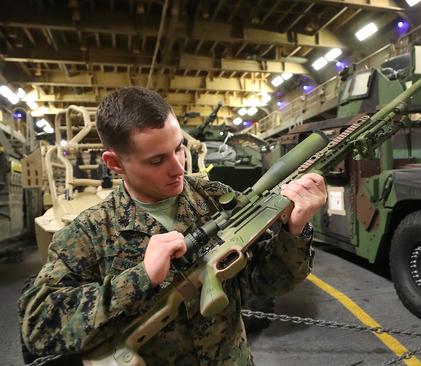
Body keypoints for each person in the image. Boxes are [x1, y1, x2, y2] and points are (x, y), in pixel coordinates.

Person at [19, 86, 327, 365]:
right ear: (114, 164)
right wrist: (141, 278)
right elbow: (39, 327)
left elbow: (264, 283)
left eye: (179, 148)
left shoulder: (215, 199)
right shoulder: (89, 233)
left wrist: (295, 232)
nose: (178, 167)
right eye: (157, 161)